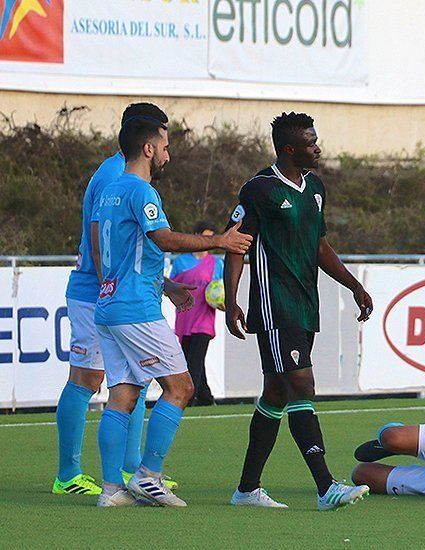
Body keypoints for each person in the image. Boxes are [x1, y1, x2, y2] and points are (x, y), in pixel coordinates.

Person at [94, 115, 252, 507]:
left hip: (110, 306)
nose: (168, 154)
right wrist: (220, 241)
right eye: (164, 147)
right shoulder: (142, 192)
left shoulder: (107, 191)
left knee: (124, 394)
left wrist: (164, 284)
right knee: (181, 387)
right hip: (136, 310)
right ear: (149, 149)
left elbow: (109, 252)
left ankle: (111, 490)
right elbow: (161, 238)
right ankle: (149, 475)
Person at [224, 112, 374, 510]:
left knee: (275, 392)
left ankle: (246, 490)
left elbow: (320, 247)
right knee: (302, 386)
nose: (317, 147)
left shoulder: (316, 188)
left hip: (307, 304)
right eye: (310, 142)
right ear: (289, 149)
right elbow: (236, 244)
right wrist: (232, 299)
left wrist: (354, 285)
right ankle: (326, 487)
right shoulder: (259, 189)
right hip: (275, 305)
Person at [54, 103, 190, 496]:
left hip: (118, 293)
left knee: (131, 383)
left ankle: (128, 474)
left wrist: (161, 284)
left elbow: (130, 249)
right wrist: (111, 292)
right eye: (162, 135)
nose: (166, 148)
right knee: (87, 378)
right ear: (145, 139)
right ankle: (68, 474)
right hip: (98, 291)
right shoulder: (118, 175)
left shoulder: (123, 174)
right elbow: (102, 245)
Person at [170, 221, 226, 406]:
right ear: (195, 236)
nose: (208, 241)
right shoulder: (181, 262)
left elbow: (219, 290)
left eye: (212, 237)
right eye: (205, 236)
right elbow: (172, 287)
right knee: (190, 358)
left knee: (194, 360)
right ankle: (206, 398)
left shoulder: (217, 263)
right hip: (185, 317)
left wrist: (223, 303)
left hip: (204, 319)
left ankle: (188, 398)